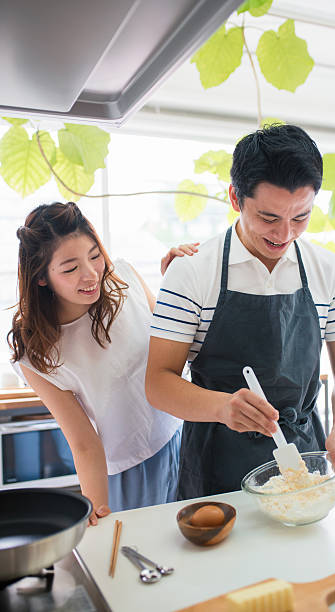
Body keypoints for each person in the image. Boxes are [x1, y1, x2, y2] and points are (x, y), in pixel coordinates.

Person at [145, 124, 335, 500]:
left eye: (300, 217)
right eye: (269, 218)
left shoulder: (328, 272)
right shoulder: (193, 271)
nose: (284, 234)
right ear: (235, 197)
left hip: (305, 461)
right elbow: (158, 381)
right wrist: (222, 407)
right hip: (215, 468)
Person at [8, 201, 199, 524]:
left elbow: (178, 350)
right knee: (134, 559)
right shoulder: (37, 351)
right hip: (127, 471)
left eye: (95, 256)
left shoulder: (124, 278)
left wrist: (180, 283)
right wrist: (97, 512)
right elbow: (83, 443)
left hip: (184, 439)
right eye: (70, 268)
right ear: (41, 277)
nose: (91, 273)